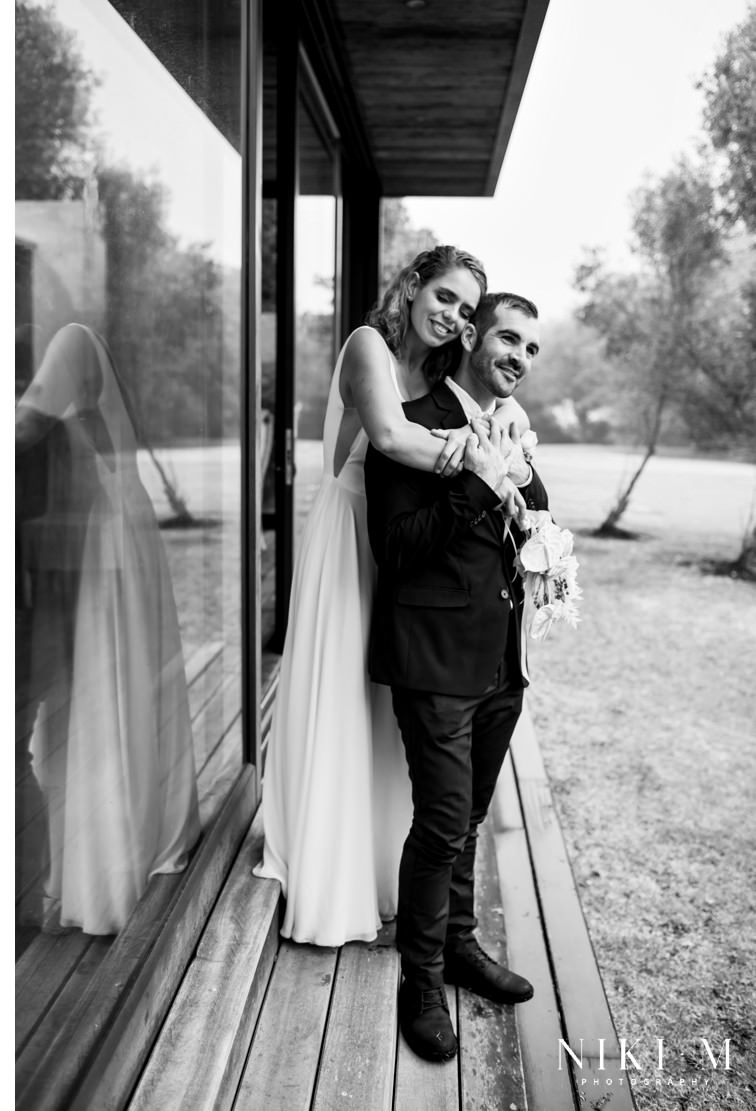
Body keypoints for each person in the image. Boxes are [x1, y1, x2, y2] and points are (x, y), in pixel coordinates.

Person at [255, 246, 535, 947]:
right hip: (352, 535)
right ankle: (326, 862)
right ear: (411, 286)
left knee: (388, 713)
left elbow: (500, 417)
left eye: (468, 310)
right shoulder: (368, 346)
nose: (452, 315)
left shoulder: (440, 370)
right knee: (342, 699)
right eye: (444, 296)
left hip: (409, 558)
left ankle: (382, 861)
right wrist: (477, 459)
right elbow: (386, 436)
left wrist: (512, 451)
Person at [365, 291, 546, 1062]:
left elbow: (536, 514)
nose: (519, 357)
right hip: (434, 660)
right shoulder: (412, 418)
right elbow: (396, 547)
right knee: (441, 821)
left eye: (531, 349)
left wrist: (520, 471)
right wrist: (475, 476)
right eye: (509, 337)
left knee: (468, 815)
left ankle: (463, 943)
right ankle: (423, 978)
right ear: (471, 334)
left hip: (501, 660)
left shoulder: (511, 425)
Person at [16, 322, 199, 935]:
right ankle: (117, 830)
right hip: (115, 529)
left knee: (103, 684)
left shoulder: (68, 343)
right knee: (114, 682)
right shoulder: (87, 372)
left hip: (102, 539)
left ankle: (106, 856)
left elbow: (24, 428)